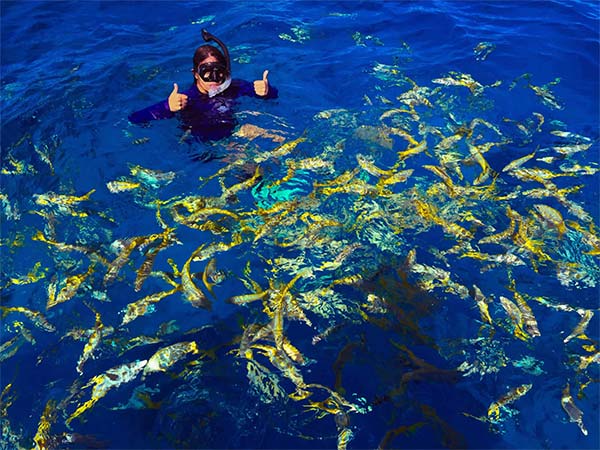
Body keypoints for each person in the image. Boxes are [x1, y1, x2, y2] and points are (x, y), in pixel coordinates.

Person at [128, 29, 278, 141]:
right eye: (206, 73)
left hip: (234, 133)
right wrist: (168, 107)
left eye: (218, 72)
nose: (213, 79)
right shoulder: (187, 99)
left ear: (225, 72)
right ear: (195, 74)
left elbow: (273, 96)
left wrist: (267, 91)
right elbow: (135, 118)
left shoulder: (235, 87)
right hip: (203, 144)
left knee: (279, 138)